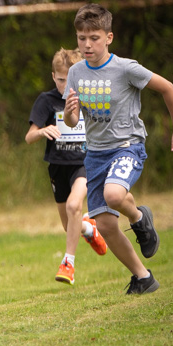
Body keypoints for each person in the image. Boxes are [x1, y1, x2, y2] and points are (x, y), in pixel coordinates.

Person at [63, 3, 173, 295]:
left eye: (94, 37)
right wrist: (71, 112)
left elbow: (168, 88)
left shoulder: (125, 68)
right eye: (81, 37)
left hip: (127, 147)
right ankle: (143, 278)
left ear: (109, 37)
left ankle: (138, 218)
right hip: (95, 154)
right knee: (106, 225)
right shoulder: (74, 72)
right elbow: (72, 121)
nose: (87, 44)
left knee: (114, 195)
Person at [26, 48, 108, 286]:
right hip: (57, 168)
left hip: (85, 163)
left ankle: (68, 263)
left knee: (75, 205)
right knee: (68, 224)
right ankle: (89, 229)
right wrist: (41, 131)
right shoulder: (46, 101)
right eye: (61, 80)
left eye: (71, 79)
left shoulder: (89, 98)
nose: (66, 85)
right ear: (54, 76)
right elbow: (28, 137)